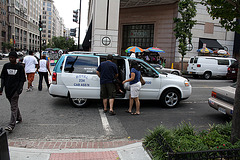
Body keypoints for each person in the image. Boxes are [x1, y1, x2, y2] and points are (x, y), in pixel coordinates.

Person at [0, 51, 26, 132]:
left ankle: (11, 125)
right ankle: (19, 117)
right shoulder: (6, 66)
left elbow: (22, 79)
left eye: (13, 58)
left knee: (13, 106)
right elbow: (3, 78)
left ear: (16, 58)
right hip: (8, 89)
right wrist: (1, 88)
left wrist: (20, 89)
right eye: (10, 57)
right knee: (13, 105)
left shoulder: (20, 67)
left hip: (15, 90)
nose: (11, 59)